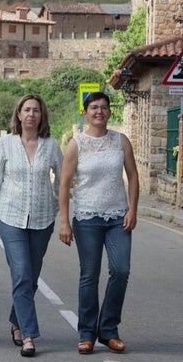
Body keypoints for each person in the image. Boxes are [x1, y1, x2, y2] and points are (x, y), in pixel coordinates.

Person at [0, 94, 63, 358]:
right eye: (26, 110)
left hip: (42, 219)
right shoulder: (5, 143)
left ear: (42, 116)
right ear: (18, 114)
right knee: (22, 274)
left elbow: (63, 180)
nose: (31, 115)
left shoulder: (51, 145)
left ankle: (17, 320)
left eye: (36, 110)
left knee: (31, 278)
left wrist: (58, 210)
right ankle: (28, 335)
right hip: (10, 217)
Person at [58, 91, 139, 355]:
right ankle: (86, 334)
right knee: (89, 276)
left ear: (109, 112)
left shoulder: (121, 141)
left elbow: (133, 176)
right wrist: (64, 222)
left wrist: (133, 210)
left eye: (104, 107)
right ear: (85, 112)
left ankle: (109, 330)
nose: (99, 112)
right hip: (87, 218)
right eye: (94, 107)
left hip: (118, 217)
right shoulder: (76, 144)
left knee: (122, 270)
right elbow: (65, 183)